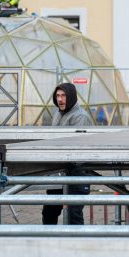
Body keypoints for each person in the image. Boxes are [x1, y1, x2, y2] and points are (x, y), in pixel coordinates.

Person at [41, 82, 91, 225]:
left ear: (71, 96)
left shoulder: (80, 117)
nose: (60, 99)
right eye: (57, 96)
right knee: (50, 210)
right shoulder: (58, 113)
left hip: (76, 171)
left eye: (63, 96)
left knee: (73, 213)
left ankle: (76, 244)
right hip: (59, 170)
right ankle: (49, 241)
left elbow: (78, 148)